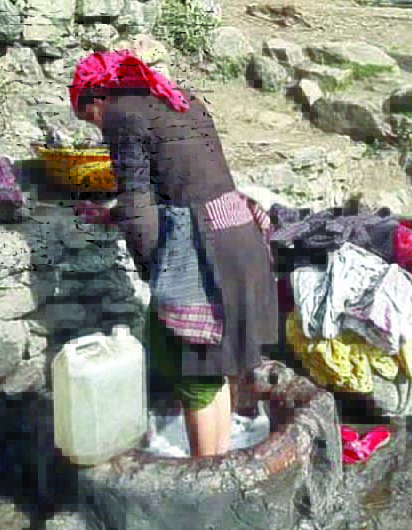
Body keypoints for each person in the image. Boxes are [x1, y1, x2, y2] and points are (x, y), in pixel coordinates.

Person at [68, 50, 279, 457]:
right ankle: (217, 464)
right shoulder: (180, 100)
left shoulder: (120, 114)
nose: (97, 128)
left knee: (185, 363)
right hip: (238, 235)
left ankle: (203, 476)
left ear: (95, 100)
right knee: (208, 369)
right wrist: (113, 218)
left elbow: (138, 203)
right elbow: (186, 181)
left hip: (202, 254)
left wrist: (155, 272)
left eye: (89, 119)